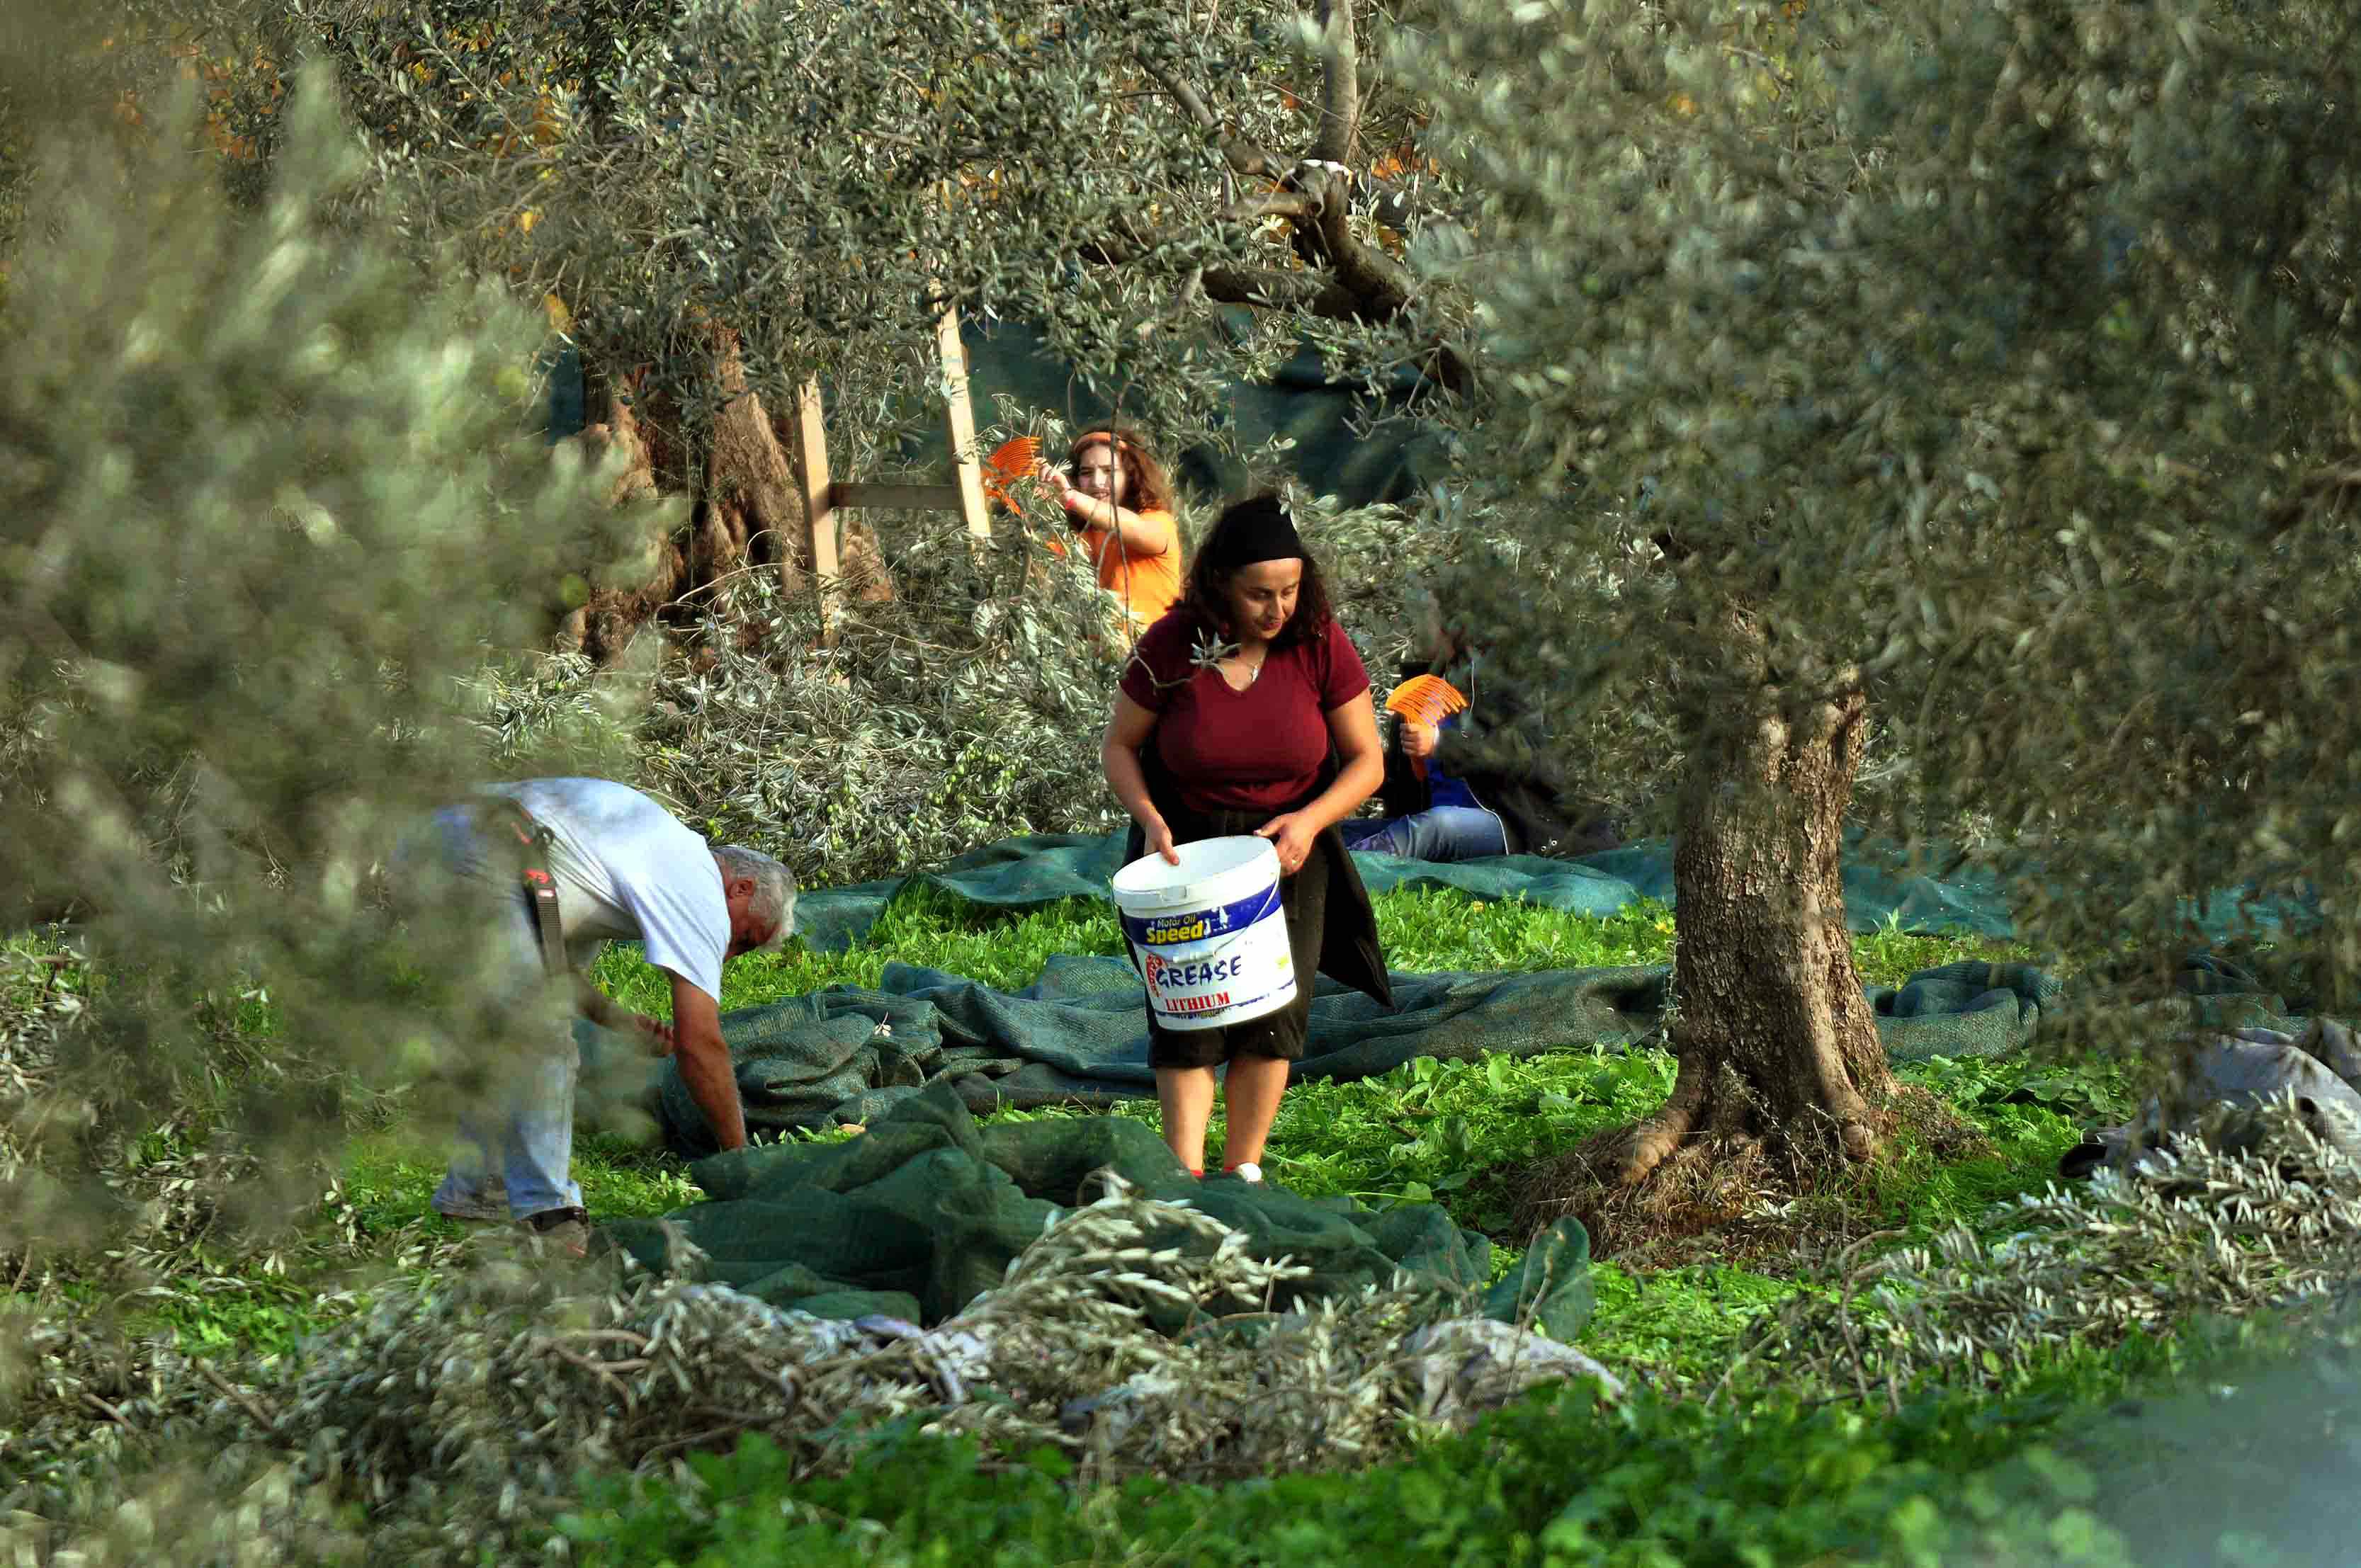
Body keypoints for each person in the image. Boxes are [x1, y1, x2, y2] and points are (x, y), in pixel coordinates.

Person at [1100, 493, 1392, 1181]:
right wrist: (1149, 817)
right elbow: (1119, 745)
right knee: (1188, 1011)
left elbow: (1367, 761)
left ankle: (1243, 1170)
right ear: (1220, 584)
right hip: (1190, 855)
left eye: (1290, 591)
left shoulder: (1319, 644)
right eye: (1261, 593)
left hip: (1288, 853)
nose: (1277, 608)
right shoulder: (1174, 645)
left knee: (1272, 1015)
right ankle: (1183, 1175)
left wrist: (1310, 822)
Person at [395, 778, 796, 1256]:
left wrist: (621, 1022)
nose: (727, 955)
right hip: (490, 849)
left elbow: (559, 974)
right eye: (744, 938)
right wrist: (739, 1160)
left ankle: (473, 1195)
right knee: (540, 1039)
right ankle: (549, 1216)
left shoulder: (613, 865)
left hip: (434, 840)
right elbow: (701, 1045)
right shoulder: (700, 888)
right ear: (741, 887)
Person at [1341, 592, 1621, 862]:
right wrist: (1352, 769)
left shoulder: (1506, 681)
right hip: (1433, 818)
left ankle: (1352, 875)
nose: (1415, 626)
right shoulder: (1423, 688)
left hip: (1510, 823)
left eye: (1425, 617)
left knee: (1436, 827)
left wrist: (1441, 744)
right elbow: (1402, 784)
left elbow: (1523, 753)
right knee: (1340, 833)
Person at [1034, 427, 1184, 631]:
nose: (1097, 482)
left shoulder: (1159, 522)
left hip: (1155, 658)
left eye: (1109, 471)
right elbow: (1039, 571)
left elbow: (1136, 529)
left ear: (1131, 475)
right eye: (1086, 473)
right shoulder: (1082, 536)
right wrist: (1030, 507)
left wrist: (1070, 497)